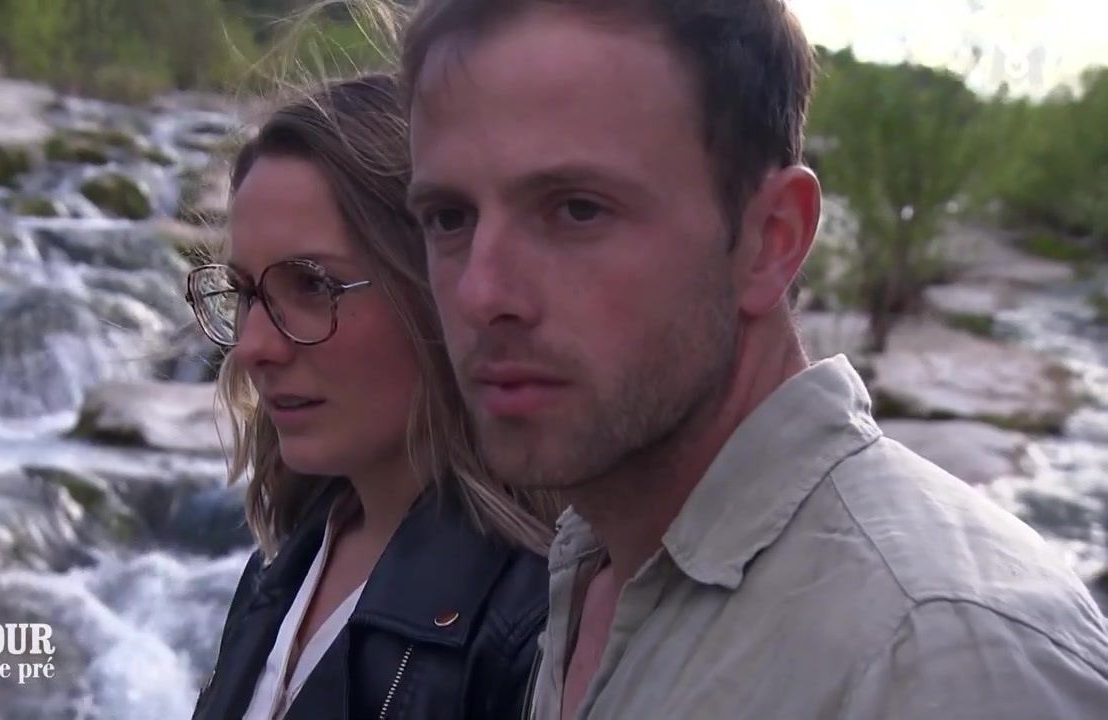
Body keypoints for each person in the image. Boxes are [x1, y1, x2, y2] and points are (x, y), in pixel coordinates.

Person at [399, 0, 1108, 718]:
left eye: (578, 209)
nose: (480, 292)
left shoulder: (939, 659)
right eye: (449, 218)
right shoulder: (594, 560)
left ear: (773, 239)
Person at [187, 73, 555, 720]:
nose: (252, 348)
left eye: (312, 286)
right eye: (245, 293)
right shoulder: (278, 572)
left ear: (443, 290)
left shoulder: (535, 625)